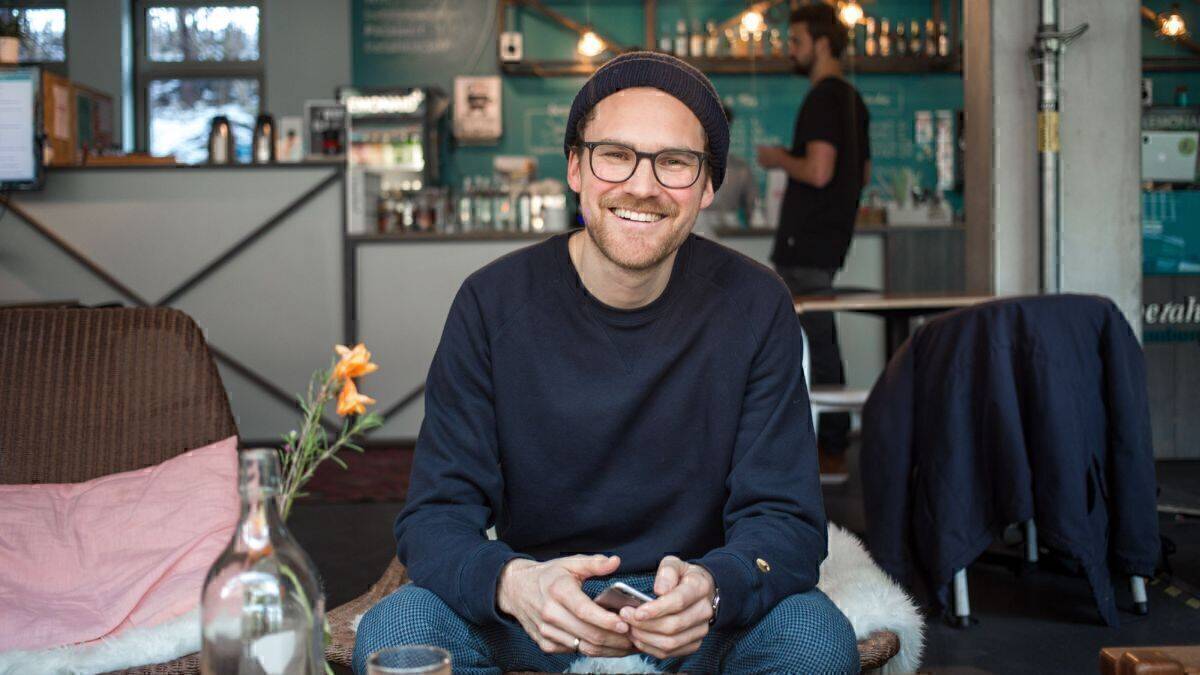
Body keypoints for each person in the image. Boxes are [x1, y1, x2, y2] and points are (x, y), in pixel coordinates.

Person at [353, 51, 859, 675]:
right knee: (397, 627)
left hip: (694, 613)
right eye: (615, 154)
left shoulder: (756, 305)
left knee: (815, 640)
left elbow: (786, 518)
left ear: (706, 186)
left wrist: (716, 586)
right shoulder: (492, 303)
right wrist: (513, 583)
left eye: (674, 162)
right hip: (542, 610)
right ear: (575, 168)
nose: (641, 186)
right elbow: (436, 514)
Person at [756, 4, 871, 481]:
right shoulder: (853, 100)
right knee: (817, 344)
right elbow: (860, 173)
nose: (791, 50)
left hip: (807, 245)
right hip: (827, 243)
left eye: (797, 40)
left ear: (822, 43)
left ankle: (827, 453)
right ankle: (827, 449)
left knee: (808, 348)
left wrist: (779, 157)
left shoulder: (823, 98)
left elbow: (820, 170)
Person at [692, 105, 758, 238]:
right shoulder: (689, 164)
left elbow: (754, 213)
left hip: (731, 235)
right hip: (694, 232)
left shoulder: (740, 169)